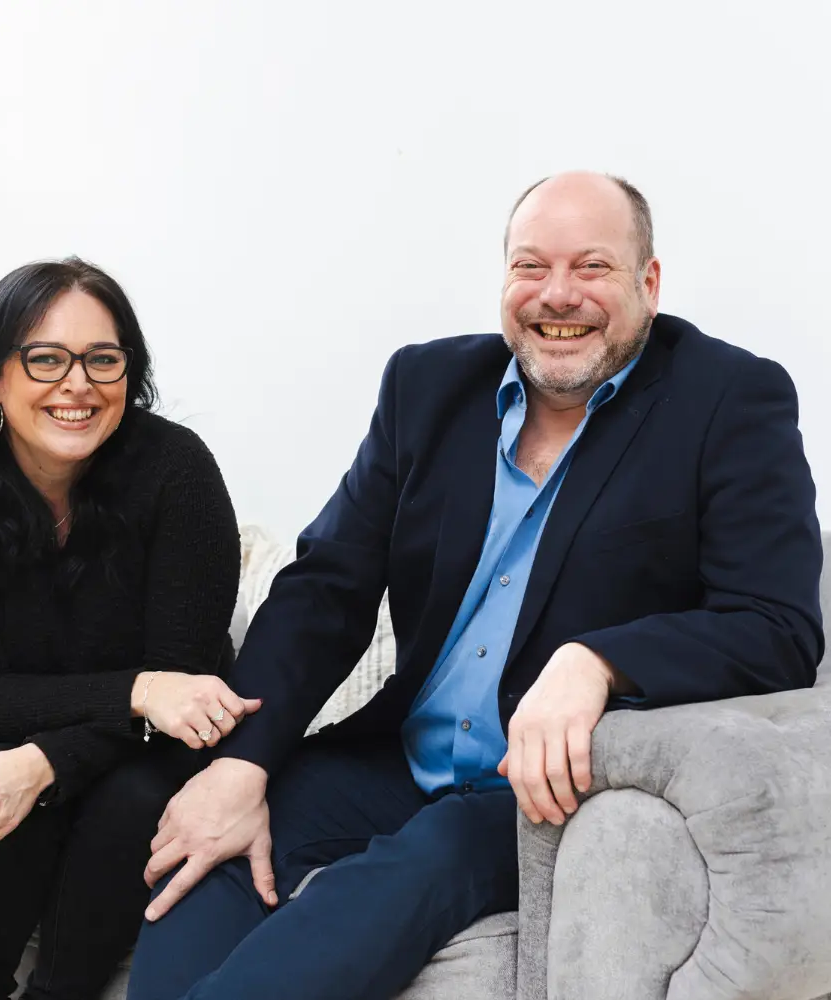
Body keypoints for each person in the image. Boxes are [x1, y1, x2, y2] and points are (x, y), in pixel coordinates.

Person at [126, 172, 824, 1000]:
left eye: (592, 266)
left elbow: (776, 626)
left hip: (545, 794)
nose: (557, 294)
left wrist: (598, 661)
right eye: (531, 265)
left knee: (421, 863)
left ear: (650, 282)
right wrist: (242, 764)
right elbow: (326, 588)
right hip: (398, 759)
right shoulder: (426, 387)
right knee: (209, 845)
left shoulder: (728, 399)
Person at [0, 257, 255, 1000]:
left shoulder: (176, 469)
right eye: (46, 359)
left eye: (102, 359)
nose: (77, 384)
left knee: (128, 797)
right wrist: (139, 691)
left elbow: (184, 692)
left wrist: (45, 762)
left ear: (127, 372)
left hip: (150, 747)